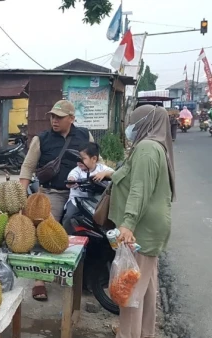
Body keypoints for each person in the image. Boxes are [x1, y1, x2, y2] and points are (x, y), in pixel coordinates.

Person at [19, 99, 97, 301]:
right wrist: (21, 195)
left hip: (80, 192)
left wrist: (103, 175)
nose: (54, 120)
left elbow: (97, 160)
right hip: (52, 192)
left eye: (59, 117)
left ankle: (76, 273)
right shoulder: (42, 139)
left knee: (80, 228)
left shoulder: (84, 135)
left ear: (71, 118)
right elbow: (28, 167)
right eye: (52, 116)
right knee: (44, 229)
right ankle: (39, 280)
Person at [109, 105, 174, 338]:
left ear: (145, 123)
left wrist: (127, 224)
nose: (130, 128)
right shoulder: (156, 146)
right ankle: (145, 333)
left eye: (133, 122)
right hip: (150, 228)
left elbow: (140, 190)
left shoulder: (147, 148)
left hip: (141, 229)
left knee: (130, 292)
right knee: (146, 289)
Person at [62, 142, 114, 234]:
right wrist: (71, 181)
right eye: (77, 159)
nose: (79, 162)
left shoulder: (101, 168)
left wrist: (104, 174)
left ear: (94, 159)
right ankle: (67, 237)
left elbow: (114, 173)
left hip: (97, 201)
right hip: (76, 201)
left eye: (83, 159)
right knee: (68, 216)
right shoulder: (77, 171)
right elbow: (72, 177)